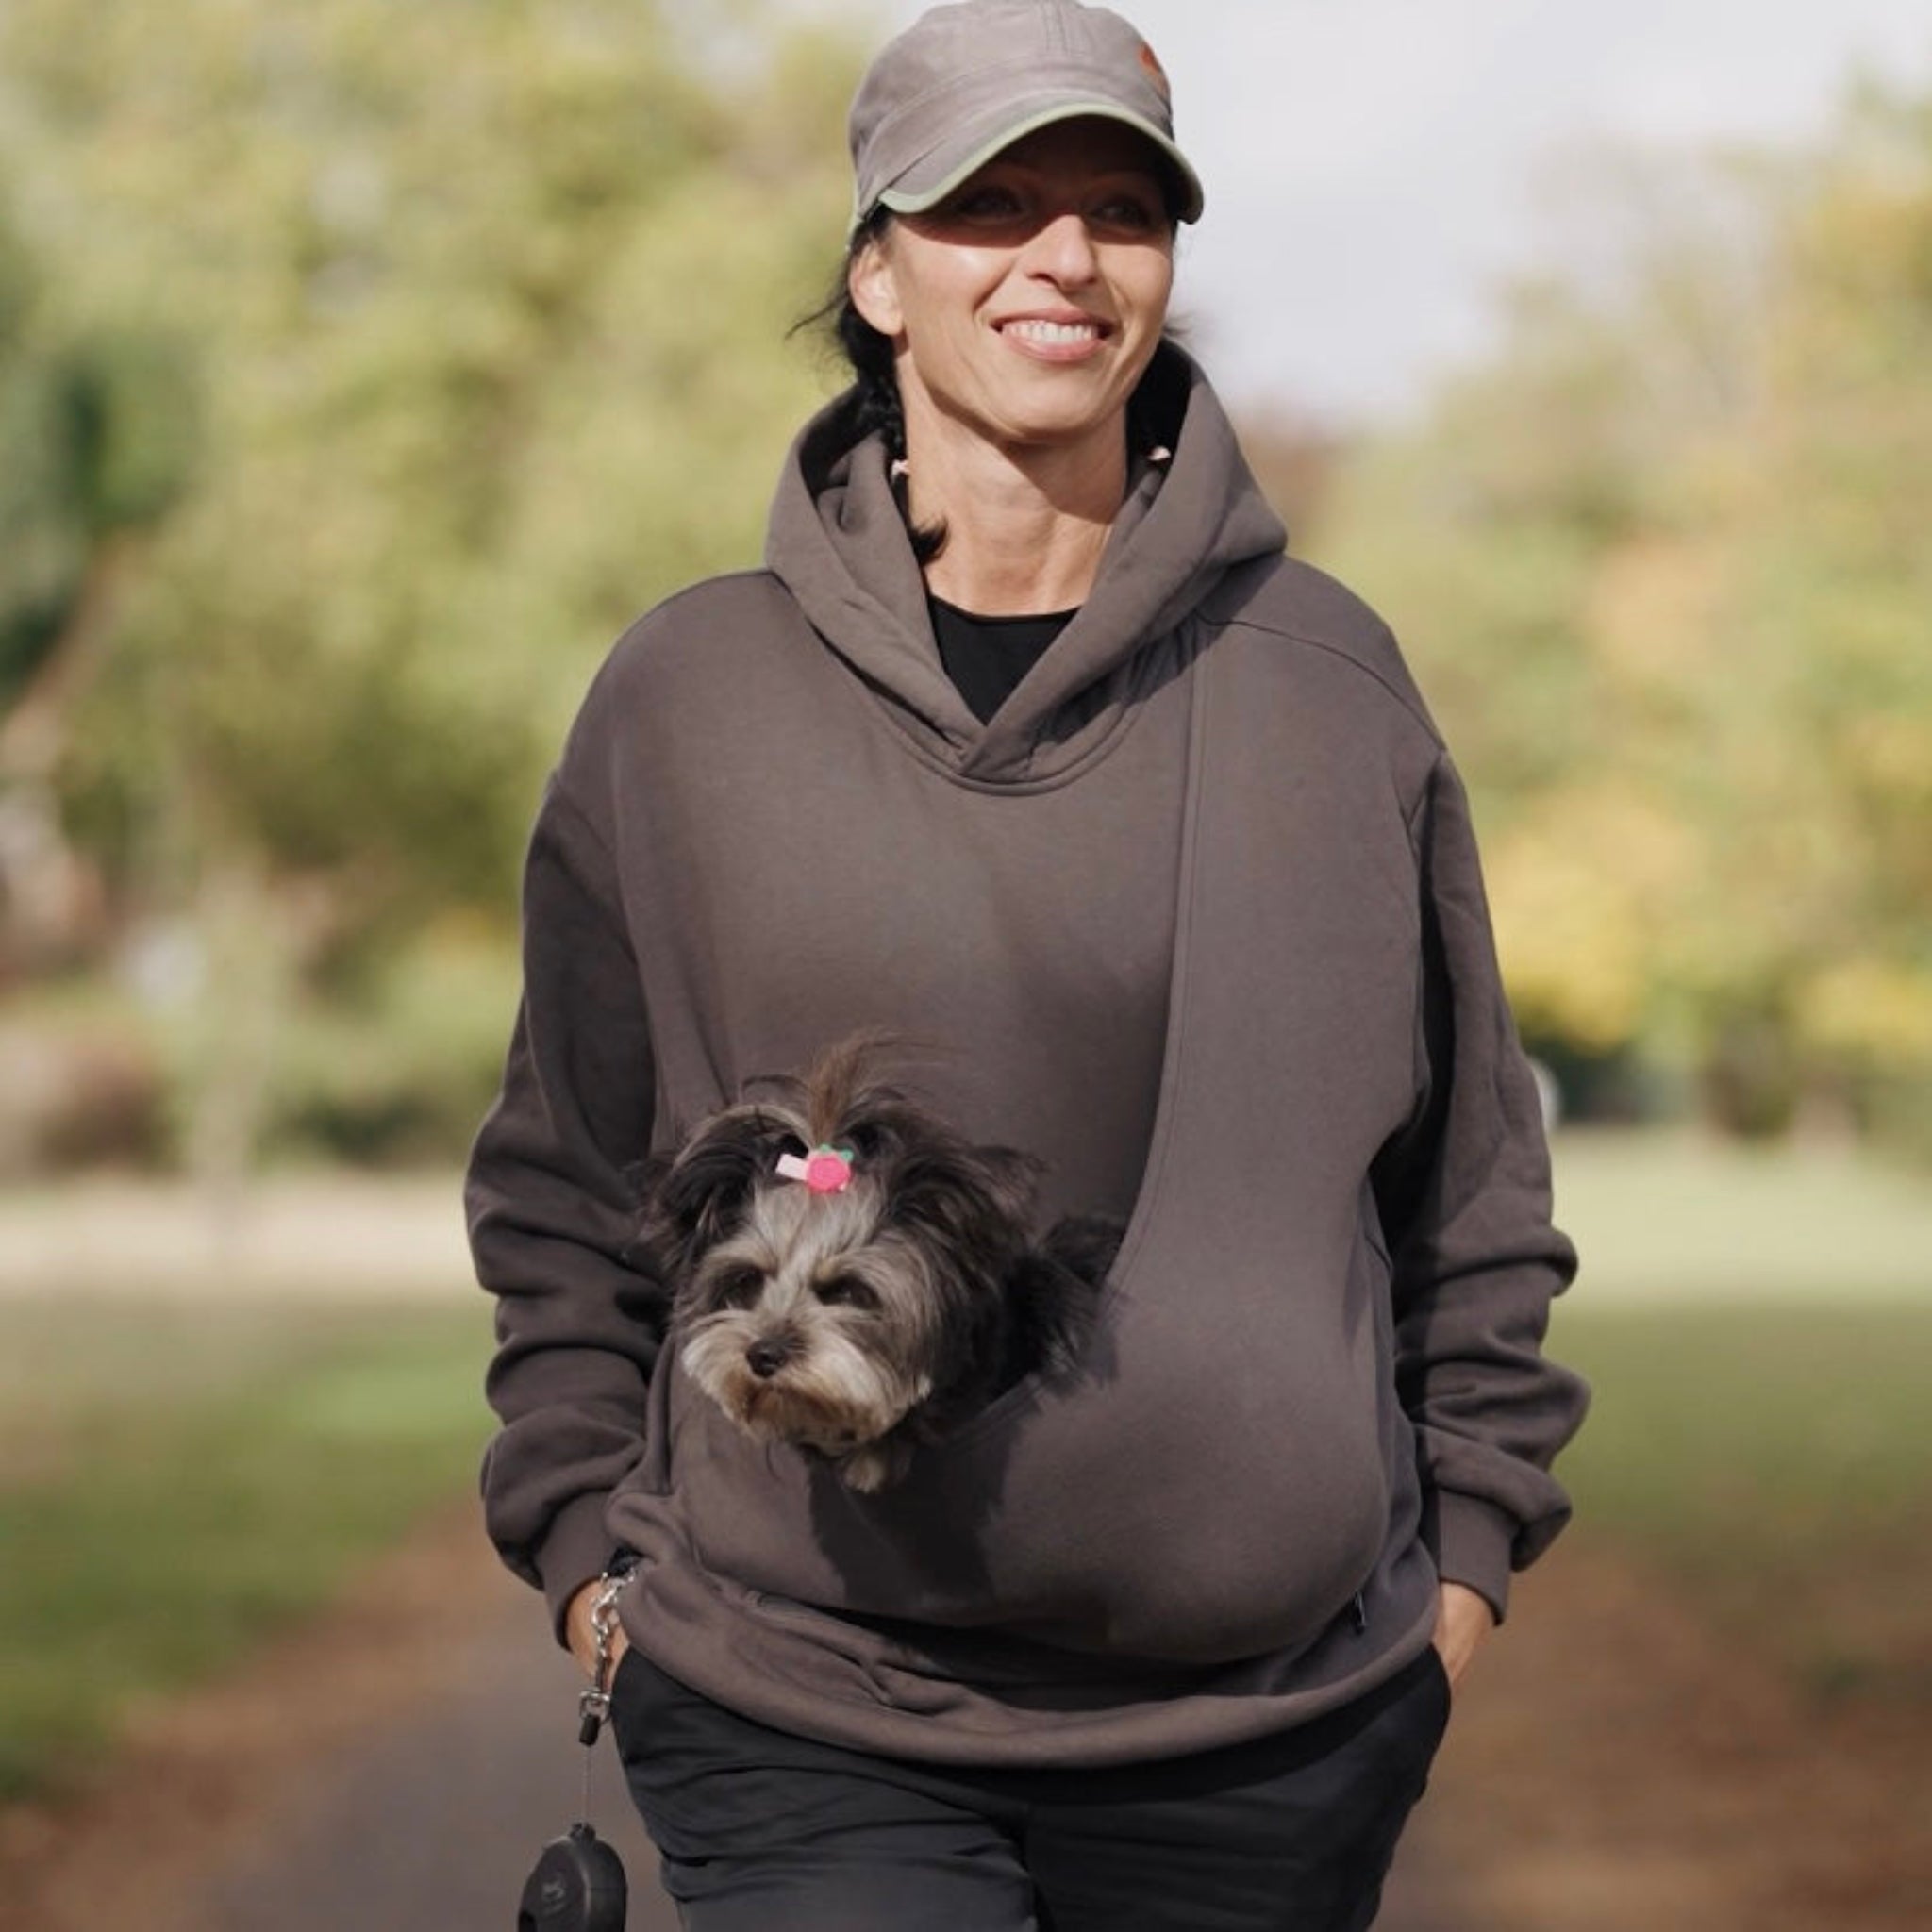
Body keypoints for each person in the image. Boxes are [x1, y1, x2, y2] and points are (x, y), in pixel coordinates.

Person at [466, 3, 1590, 1925]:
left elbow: (1466, 1191)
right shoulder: (687, 701)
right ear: (876, 274)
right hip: (792, 1707)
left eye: (1119, 210)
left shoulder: (1330, 686)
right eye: (991, 203)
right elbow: (566, 1179)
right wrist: (592, 1562)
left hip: (1270, 1743)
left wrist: (1458, 1580)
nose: (1064, 257)